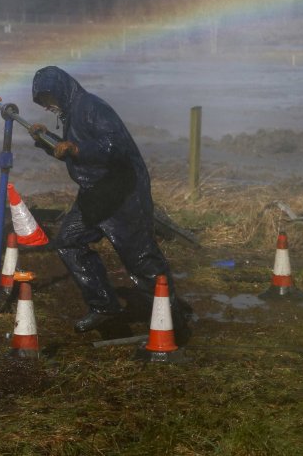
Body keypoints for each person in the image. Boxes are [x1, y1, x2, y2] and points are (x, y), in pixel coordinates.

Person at [28, 65, 191, 340]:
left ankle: (173, 324)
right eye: (42, 103)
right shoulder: (70, 113)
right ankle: (104, 304)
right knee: (68, 240)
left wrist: (75, 148)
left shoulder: (92, 107)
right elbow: (72, 152)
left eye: (47, 100)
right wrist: (47, 141)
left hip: (122, 193)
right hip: (95, 194)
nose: (47, 107)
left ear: (59, 91)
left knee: (142, 261)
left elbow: (113, 147)